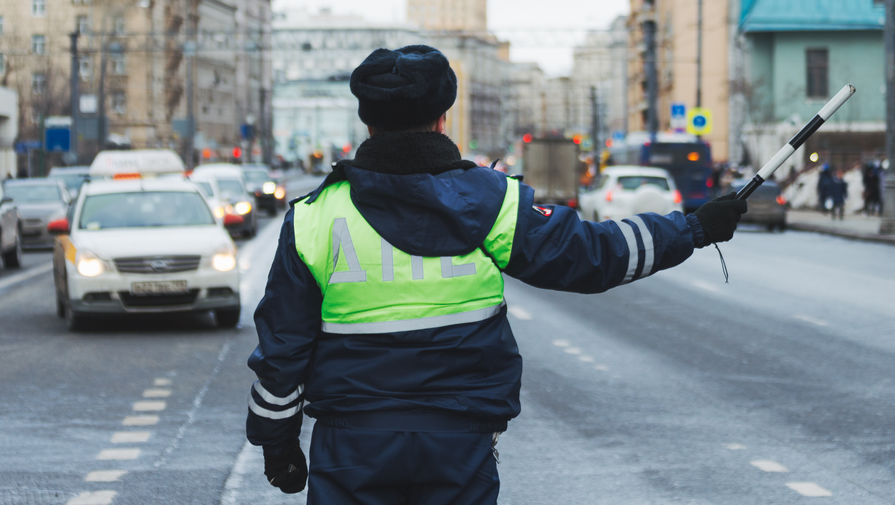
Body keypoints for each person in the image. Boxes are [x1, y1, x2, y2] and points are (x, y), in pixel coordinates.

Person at [245, 45, 747, 505]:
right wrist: (693, 228)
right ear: (443, 119)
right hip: (459, 445)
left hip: (351, 446)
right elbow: (595, 256)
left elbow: (282, 349)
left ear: (367, 123)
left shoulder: (313, 218)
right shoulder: (491, 202)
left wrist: (277, 444)